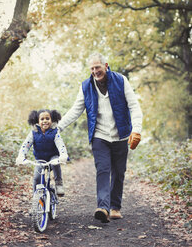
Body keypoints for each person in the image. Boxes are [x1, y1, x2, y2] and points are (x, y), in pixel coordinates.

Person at [58, 53, 143, 222]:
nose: (95, 71)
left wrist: (137, 130)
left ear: (106, 65)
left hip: (121, 135)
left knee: (119, 172)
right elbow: (76, 110)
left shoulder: (121, 80)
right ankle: (103, 208)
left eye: (97, 67)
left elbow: (134, 106)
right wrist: (57, 127)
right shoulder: (86, 86)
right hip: (99, 135)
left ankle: (115, 207)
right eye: (92, 68)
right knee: (103, 169)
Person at [16, 108, 69, 196]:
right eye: (42, 119)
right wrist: (21, 156)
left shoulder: (55, 132)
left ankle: (59, 183)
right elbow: (26, 145)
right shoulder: (34, 133)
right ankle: (36, 196)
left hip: (53, 156)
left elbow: (60, 144)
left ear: (52, 120)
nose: (45, 121)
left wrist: (63, 155)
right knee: (37, 177)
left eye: (47, 119)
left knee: (55, 164)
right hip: (40, 159)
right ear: (37, 121)